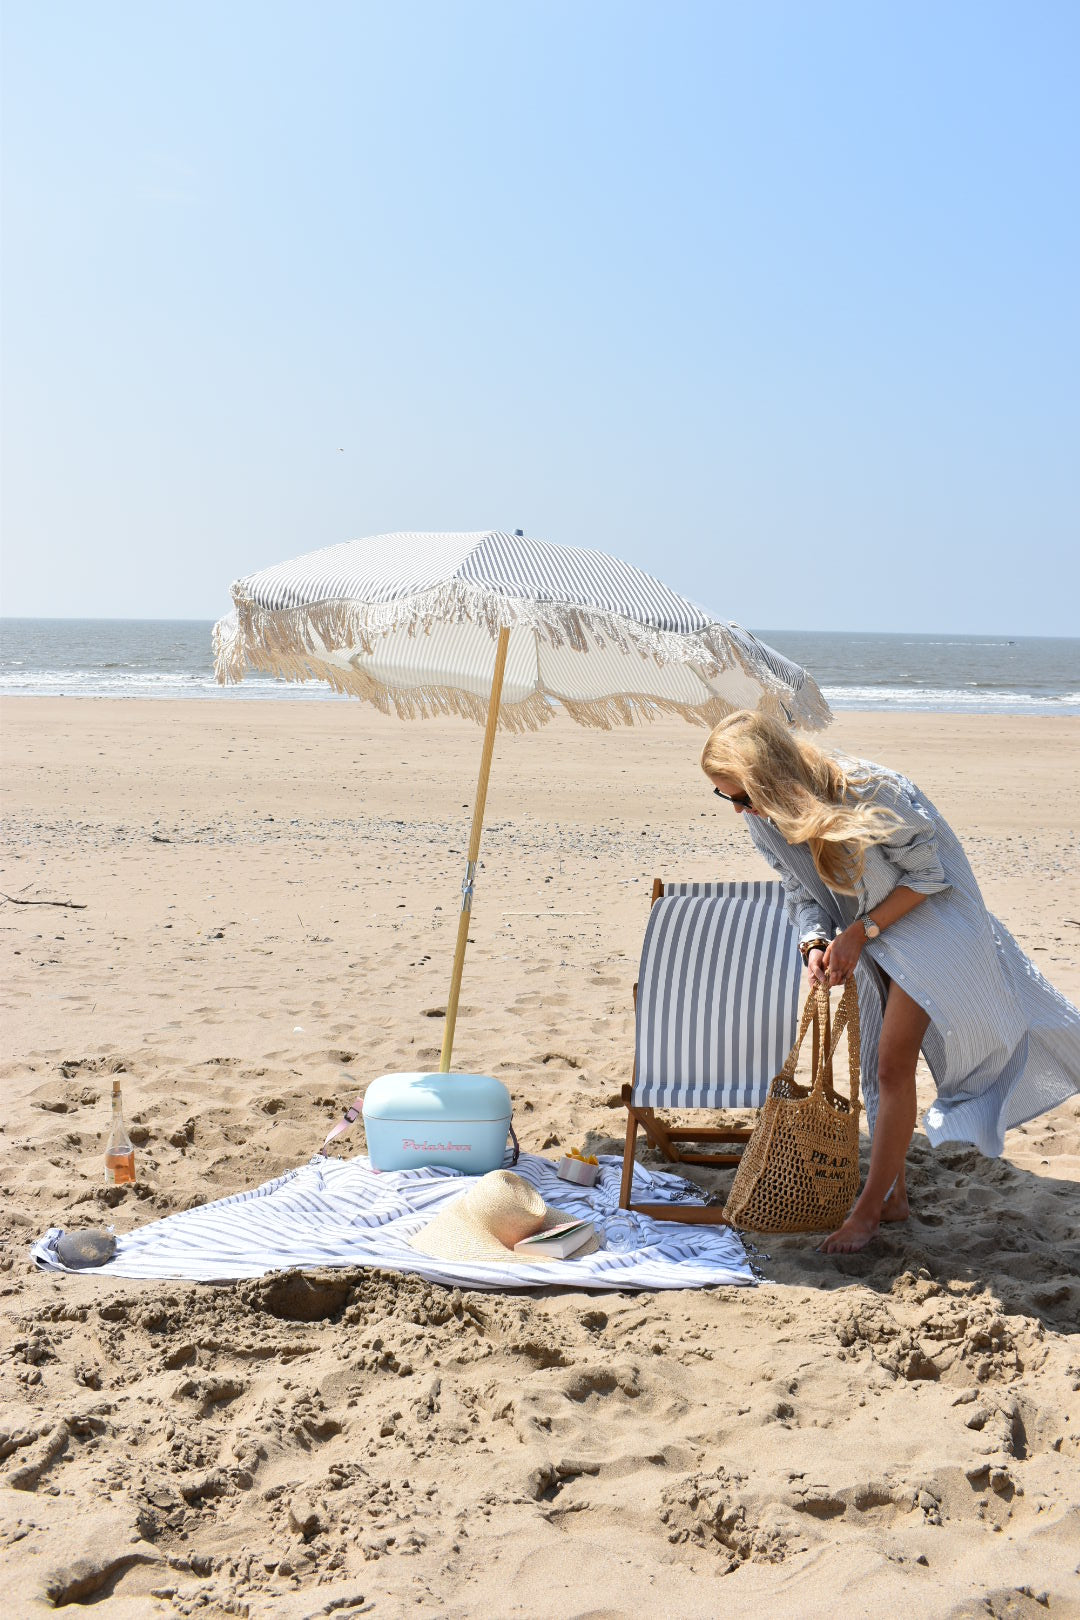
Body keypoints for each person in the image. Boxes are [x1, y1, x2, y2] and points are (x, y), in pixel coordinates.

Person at [700, 709, 1080, 1255]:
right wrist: (812, 943)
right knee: (880, 1068)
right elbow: (799, 889)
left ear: (768, 777)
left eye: (741, 795)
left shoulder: (873, 788)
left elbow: (931, 877)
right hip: (870, 936)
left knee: (889, 1064)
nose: (739, 809)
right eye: (726, 798)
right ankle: (895, 1194)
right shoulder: (764, 816)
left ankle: (869, 1210)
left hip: (932, 928)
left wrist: (859, 931)